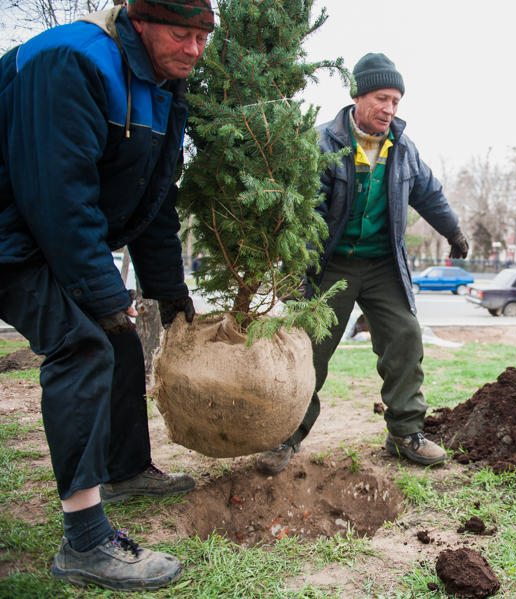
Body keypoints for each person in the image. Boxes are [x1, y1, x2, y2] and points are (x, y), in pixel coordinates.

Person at [0, 0, 210, 591]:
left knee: (117, 338)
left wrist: (168, 292)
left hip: (39, 221)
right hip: (16, 225)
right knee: (84, 343)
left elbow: (154, 200)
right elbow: (59, 197)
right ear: (139, 20)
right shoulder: (73, 60)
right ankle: (86, 541)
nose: (193, 49)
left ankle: (123, 470)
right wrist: (102, 296)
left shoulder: (163, 85)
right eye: (180, 33)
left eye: (202, 37)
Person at [255, 53, 467, 473]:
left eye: (396, 101)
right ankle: (286, 437)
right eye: (381, 98)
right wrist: (295, 263)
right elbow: (305, 209)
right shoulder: (322, 143)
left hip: (383, 263)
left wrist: (454, 231)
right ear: (357, 95)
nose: (389, 109)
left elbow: (429, 192)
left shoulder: (403, 149)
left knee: (405, 336)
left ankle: (404, 432)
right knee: (308, 350)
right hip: (329, 265)